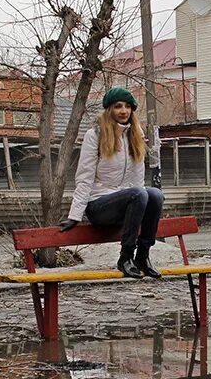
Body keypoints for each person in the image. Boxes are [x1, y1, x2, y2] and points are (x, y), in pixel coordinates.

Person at [59, 87, 164, 279]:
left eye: (127, 107)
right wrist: (75, 215)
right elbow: (85, 176)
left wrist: (141, 208)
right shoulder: (95, 135)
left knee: (155, 194)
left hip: (127, 204)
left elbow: (138, 178)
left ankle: (142, 256)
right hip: (99, 206)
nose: (123, 111)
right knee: (138, 193)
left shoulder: (135, 135)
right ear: (109, 110)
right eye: (117, 106)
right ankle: (125, 257)